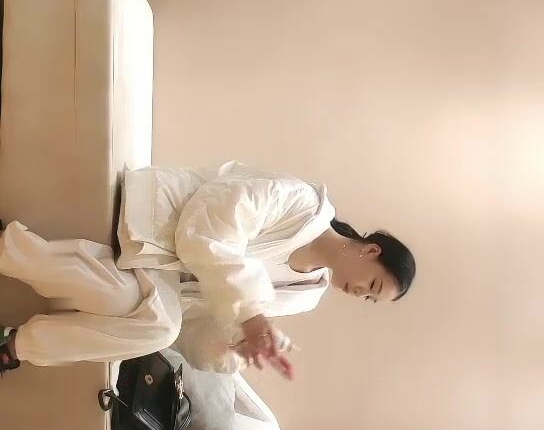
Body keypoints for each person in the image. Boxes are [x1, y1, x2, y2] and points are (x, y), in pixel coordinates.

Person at [0, 161, 416, 379]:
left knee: (131, 305)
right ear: (370, 250)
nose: (360, 293)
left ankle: (9, 257)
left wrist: (237, 348)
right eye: (372, 284)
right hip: (164, 222)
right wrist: (251, 317)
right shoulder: (299, 202)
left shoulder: (306, 294)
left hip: (164, 282)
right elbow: (208, 227)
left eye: (369, 298)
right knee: (156, 326)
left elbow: (201, 319)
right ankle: (15, 344)